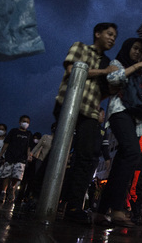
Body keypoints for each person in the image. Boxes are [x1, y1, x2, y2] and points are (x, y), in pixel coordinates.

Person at [95, 38, 142, 227]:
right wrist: (137, 66)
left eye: (140, 50)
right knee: (132, 153)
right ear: (127, 49)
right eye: (135, 49)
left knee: (121, 163)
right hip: (120, 113)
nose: (137, 52)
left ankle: (100, 212)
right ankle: (118, 209)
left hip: (136, 121)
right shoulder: (117, 64)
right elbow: (114, 78)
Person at [53, 22, 118, 223]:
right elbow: (73, 70)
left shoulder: (107, 61)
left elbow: (103, 91)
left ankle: (73, 205)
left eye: (115, 36)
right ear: (97, 33)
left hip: (90, 111)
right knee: (59, 153)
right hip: (68, 104)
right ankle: (41, 196)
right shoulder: (80, 47)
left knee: (87, 156)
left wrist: (112, 87)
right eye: (109, 34)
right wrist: (105, 72)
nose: (112, 38)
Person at [0, 115, 33, 203]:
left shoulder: (29, 134)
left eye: (27, 122)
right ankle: (3, 192)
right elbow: (6, 143)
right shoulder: (13, 131)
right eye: (24, 121)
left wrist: (29, 156)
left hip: (21, 159)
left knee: (16, 177)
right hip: (10, 157)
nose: (25, 123)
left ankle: (12, 189)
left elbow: (29, 147)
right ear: (20, 122)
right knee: (6, 176)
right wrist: (1, 154)